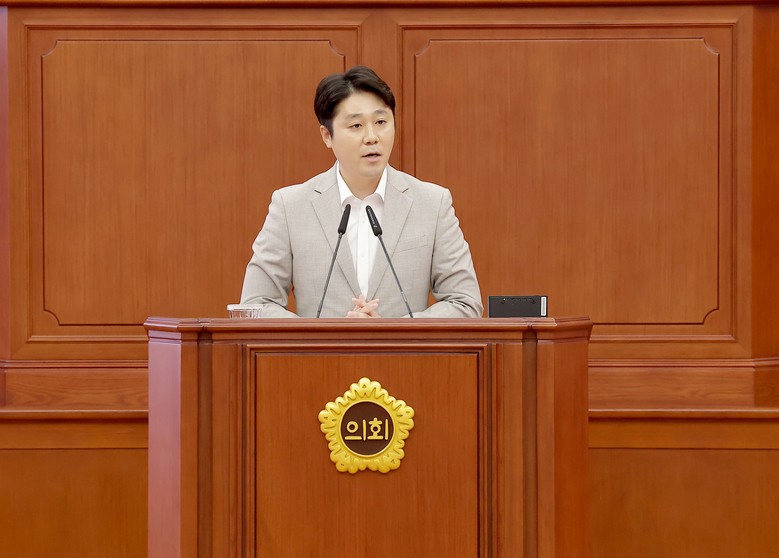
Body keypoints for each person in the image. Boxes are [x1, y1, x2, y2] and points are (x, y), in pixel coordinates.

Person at [240, 66, 482, 318]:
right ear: (327, 135)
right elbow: (255, 305)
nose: (371, 137)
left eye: (381, 122)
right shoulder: (290, 207)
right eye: (356, 125)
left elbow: (464, 303)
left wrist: (393, 331)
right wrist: (324, 334)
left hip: (403, 346)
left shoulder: (432, 203)